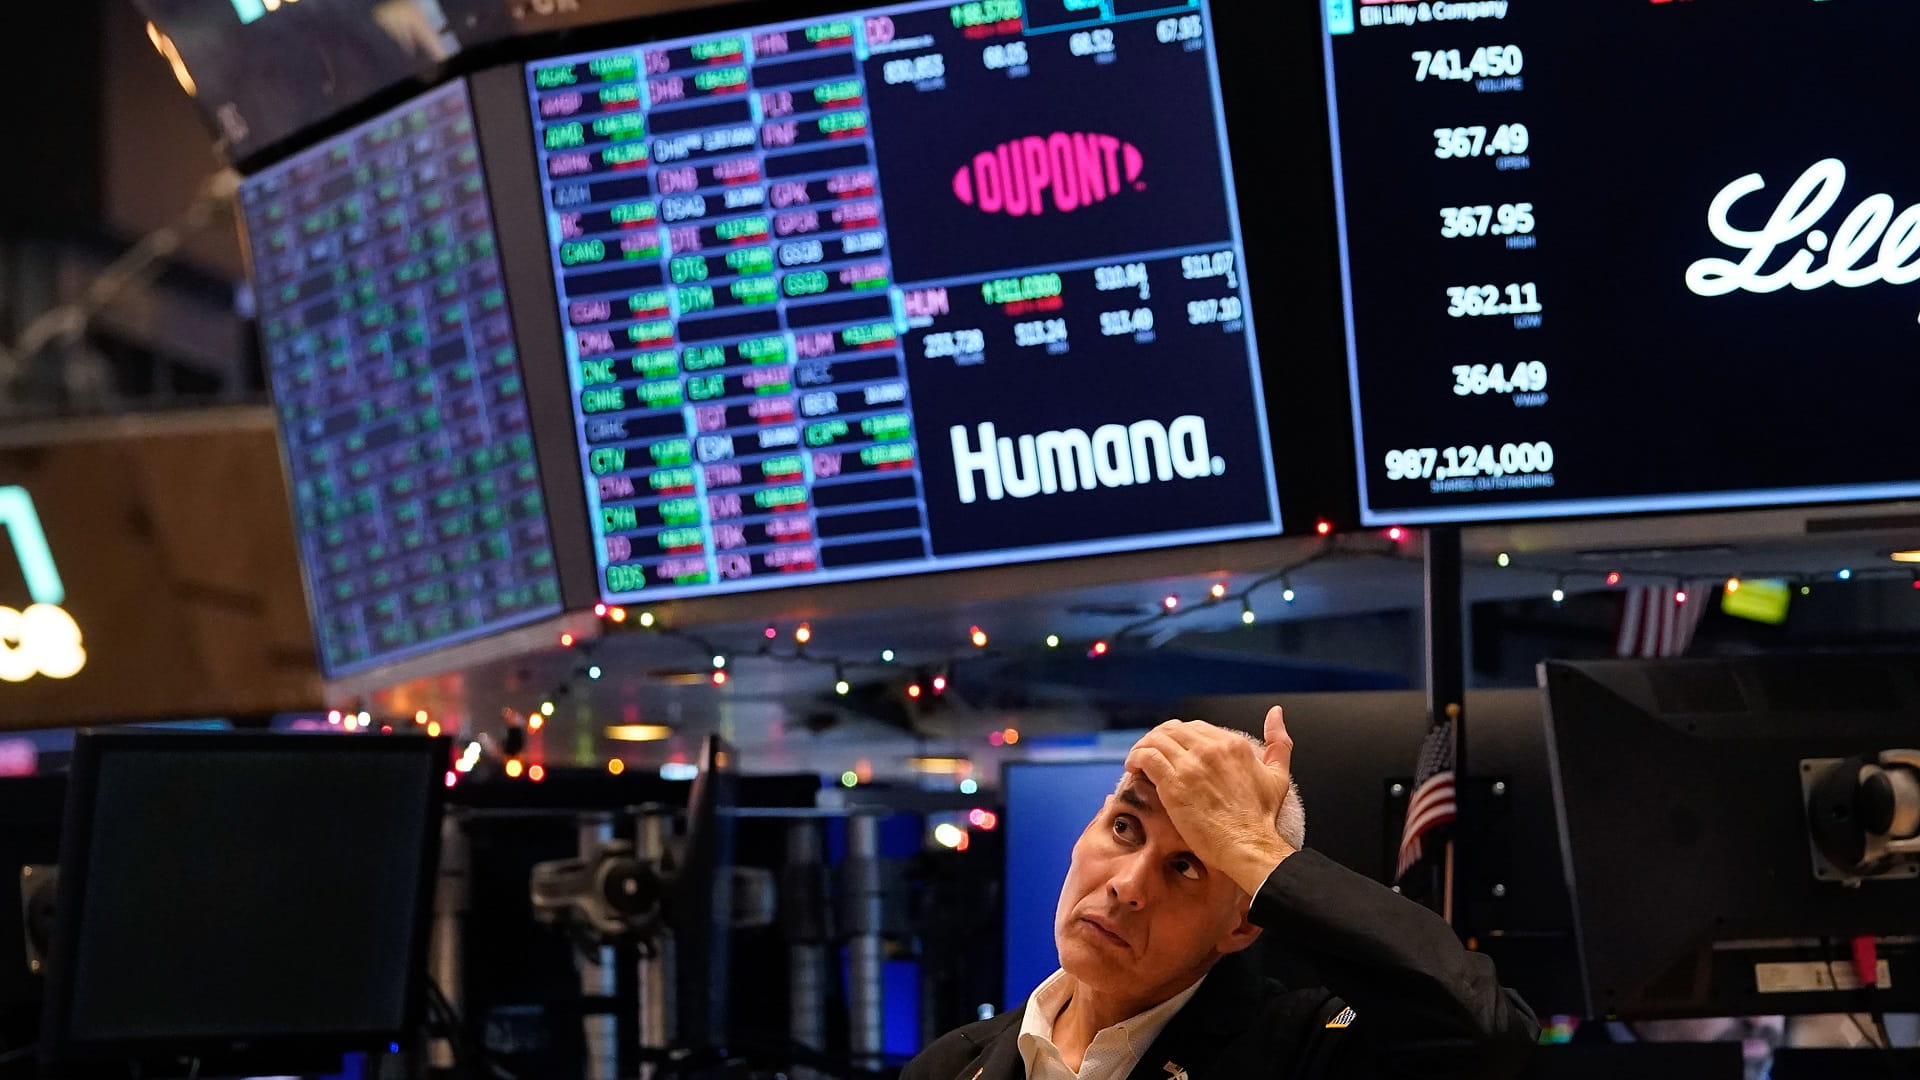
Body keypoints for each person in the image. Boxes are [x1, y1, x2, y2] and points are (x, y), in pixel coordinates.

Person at [904, 708, 1539, 1080]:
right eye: (1124, 828)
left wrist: (1253, 849)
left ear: (1241, 924)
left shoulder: (1306, 1049)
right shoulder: (951, 1064)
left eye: (1187, 867)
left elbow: (1485, 1040)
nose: (1127, 886)